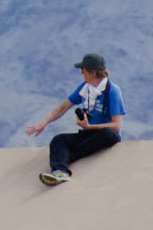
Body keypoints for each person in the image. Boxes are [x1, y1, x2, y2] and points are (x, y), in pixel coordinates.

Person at [24, 52, 125, 186]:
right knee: (59, 140)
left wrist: (89, 127)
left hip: (105, 135)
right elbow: (63, 107)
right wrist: (43, 124)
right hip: (88, 134)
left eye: (83, 71)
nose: (82, 74)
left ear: (93, 73)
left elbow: (117, 126)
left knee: (107, 134)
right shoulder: (84, 88)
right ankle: (60, 171)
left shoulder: (112, 91)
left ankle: (69, 157)